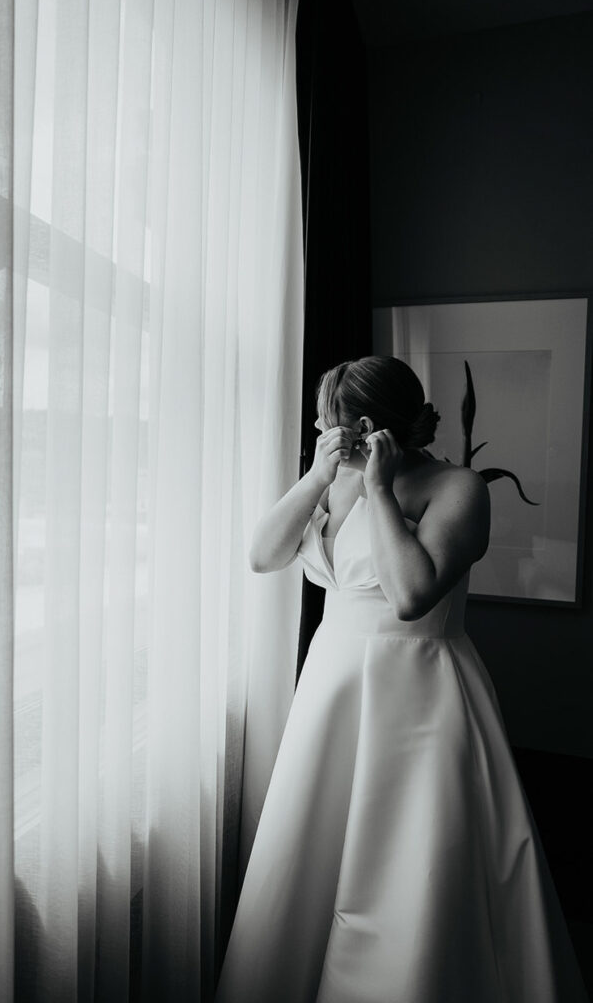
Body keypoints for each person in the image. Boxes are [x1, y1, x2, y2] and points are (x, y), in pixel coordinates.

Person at [214, 356, 590, 1003]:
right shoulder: (330, 479)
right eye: (319, 424)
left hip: (417, 690)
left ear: (373, 428)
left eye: (334, 424)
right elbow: (261, 555)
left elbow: (411, 595)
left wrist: (381, 492)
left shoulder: (457, 488)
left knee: (408, 854)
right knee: (314, 843)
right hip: (330, 686)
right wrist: (314, 476)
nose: (323, 432)